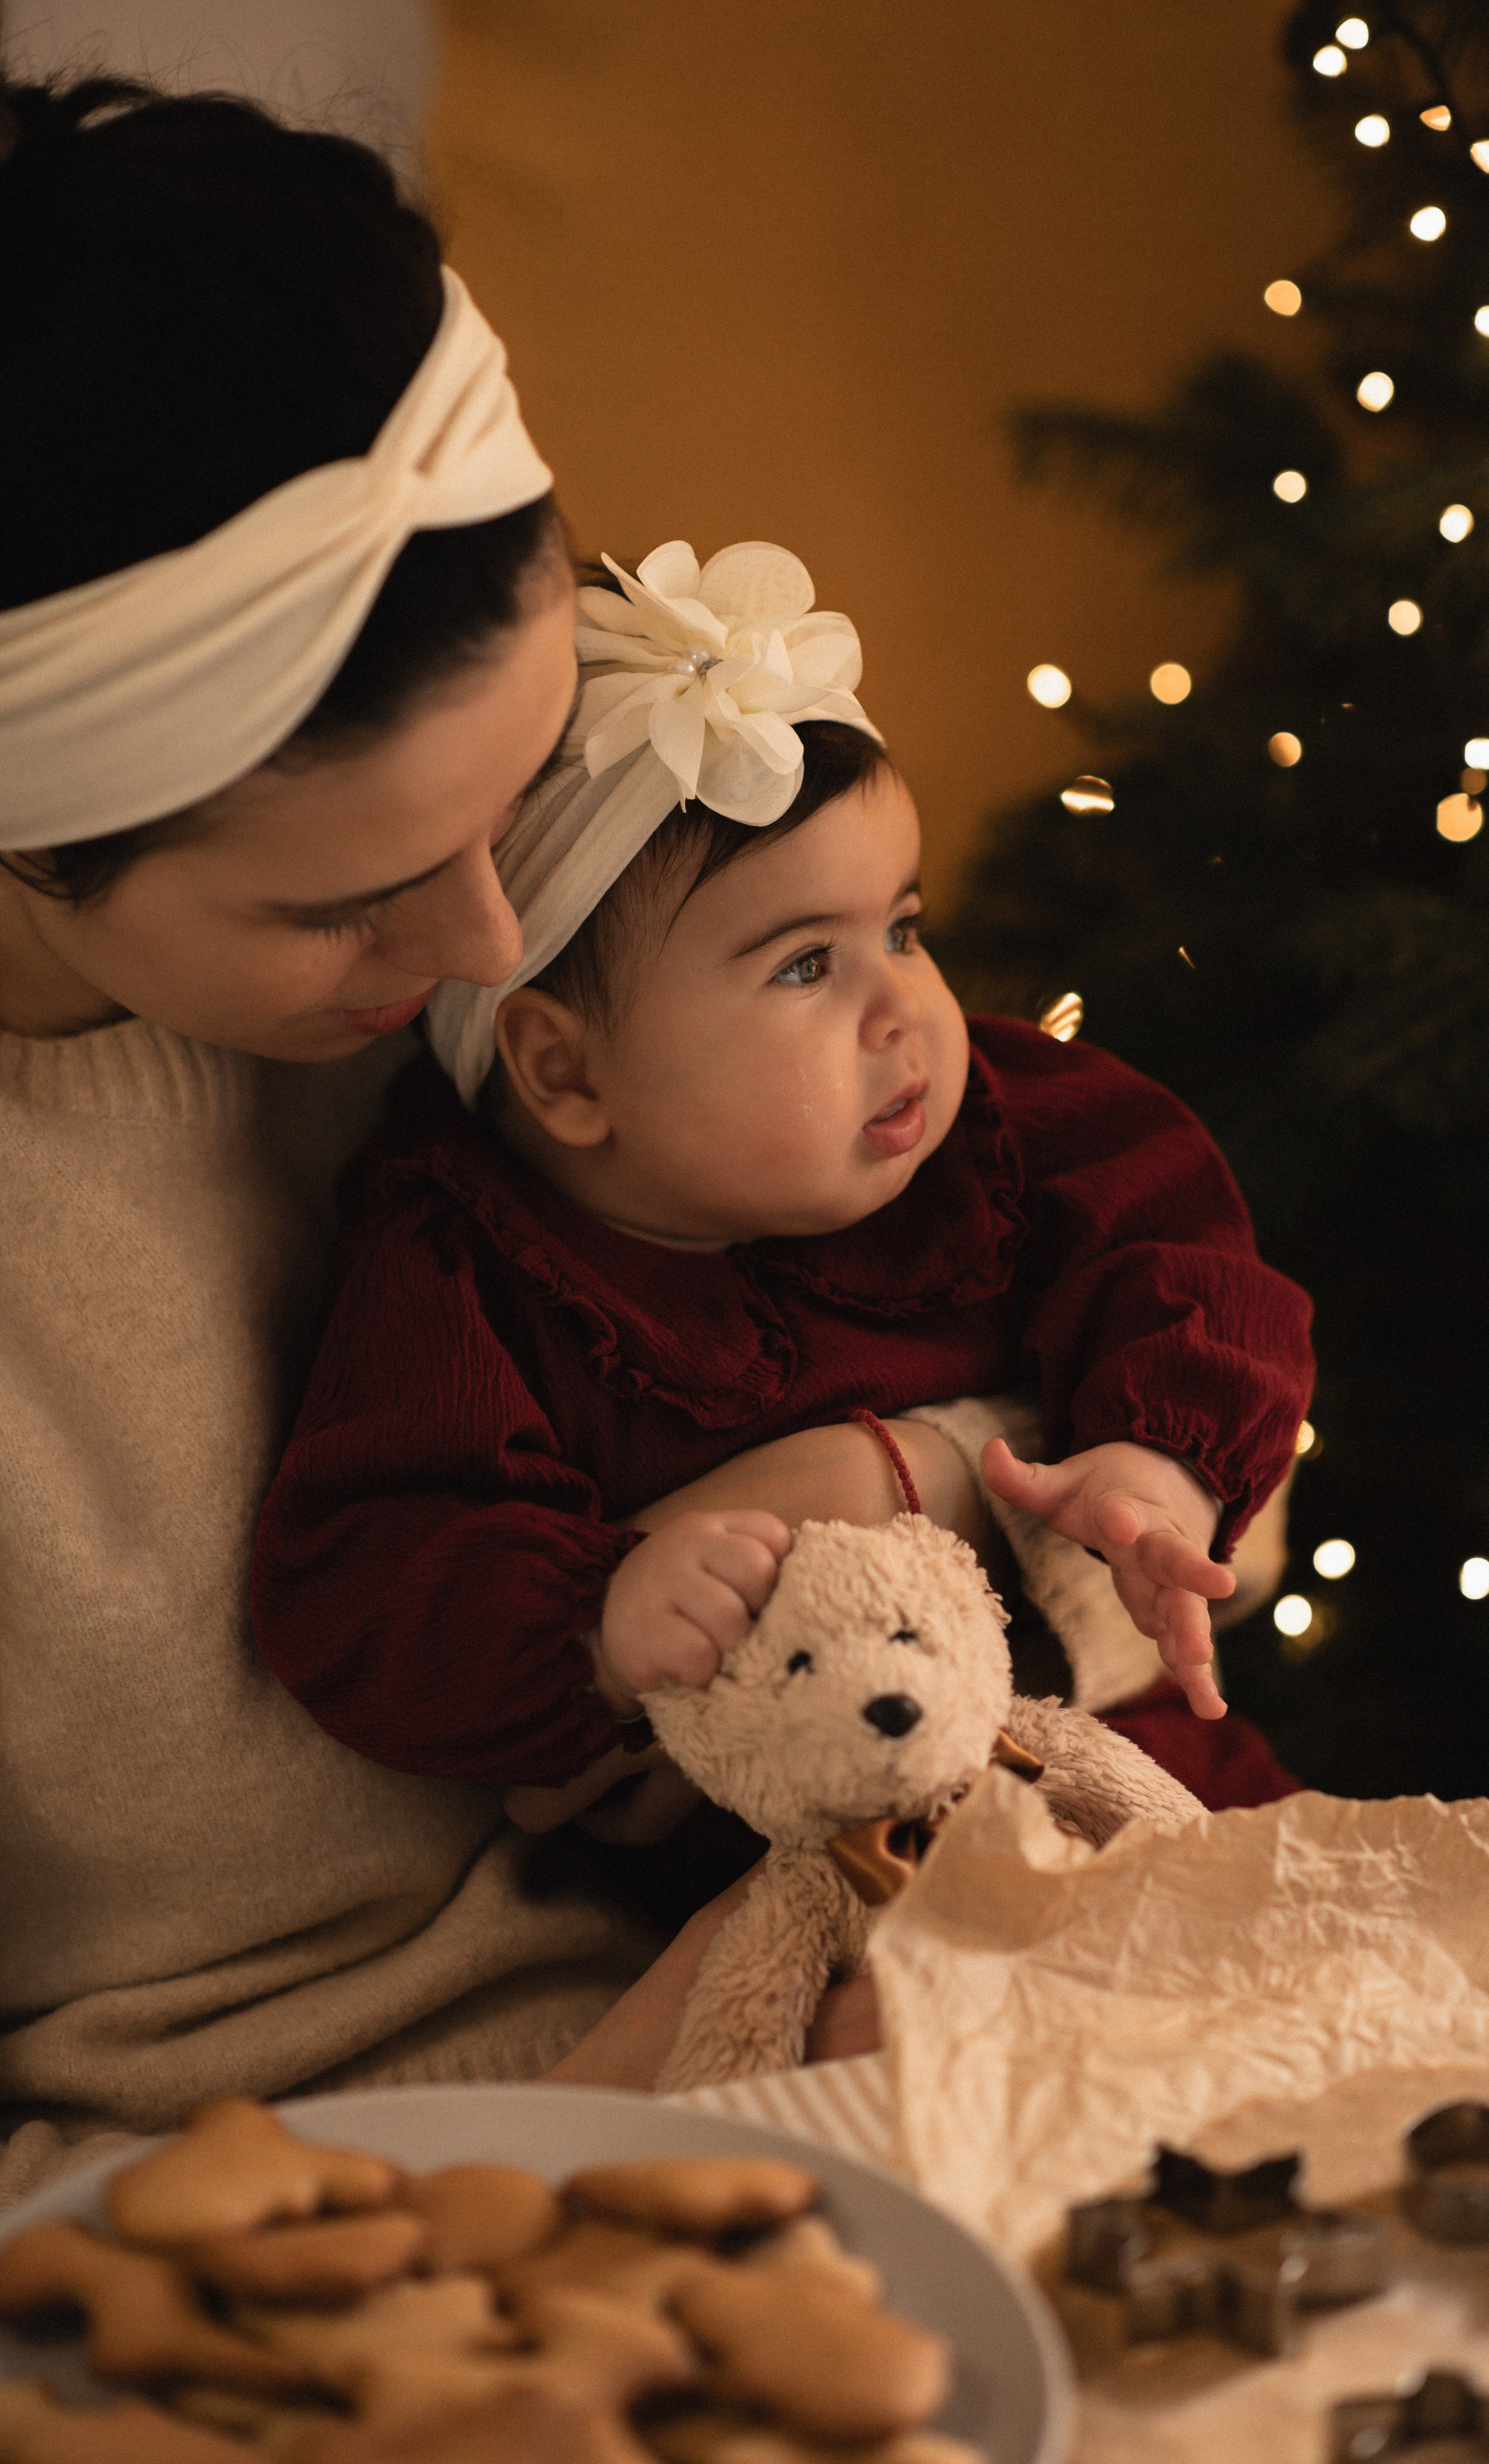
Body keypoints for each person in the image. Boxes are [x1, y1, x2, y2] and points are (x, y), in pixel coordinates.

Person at [0, 75, 902, 2200]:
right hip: (222, 2219)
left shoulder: (530, 951)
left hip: (773, 1980)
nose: (494, 946)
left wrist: (962, 1456)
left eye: (507, 806)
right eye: (347, 898)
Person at [250, 539, 1315, 1845]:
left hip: (1141, 1765)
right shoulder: (466, 1270)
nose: (905, 1009)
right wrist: (595, 1618)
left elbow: (1185, 1256)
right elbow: (362, 1584)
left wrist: (1159, 1464)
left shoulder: (996, 1127)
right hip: (813, 1859)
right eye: (807, 966)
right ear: (562, 1070)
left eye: (903, 929)